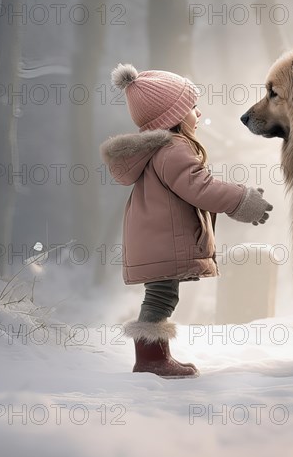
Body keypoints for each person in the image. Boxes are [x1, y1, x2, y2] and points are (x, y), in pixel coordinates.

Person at [100, 64, 273, 379]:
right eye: (191, 107)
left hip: (153, 240)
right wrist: (242, 199)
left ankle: (157, 356)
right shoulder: (172, 149)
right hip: (161, 241)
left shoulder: (162, 150)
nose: (198, 112)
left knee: (163, 295)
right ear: (173, 116)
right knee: (162, 297)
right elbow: (200, 189)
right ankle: (151, 359)